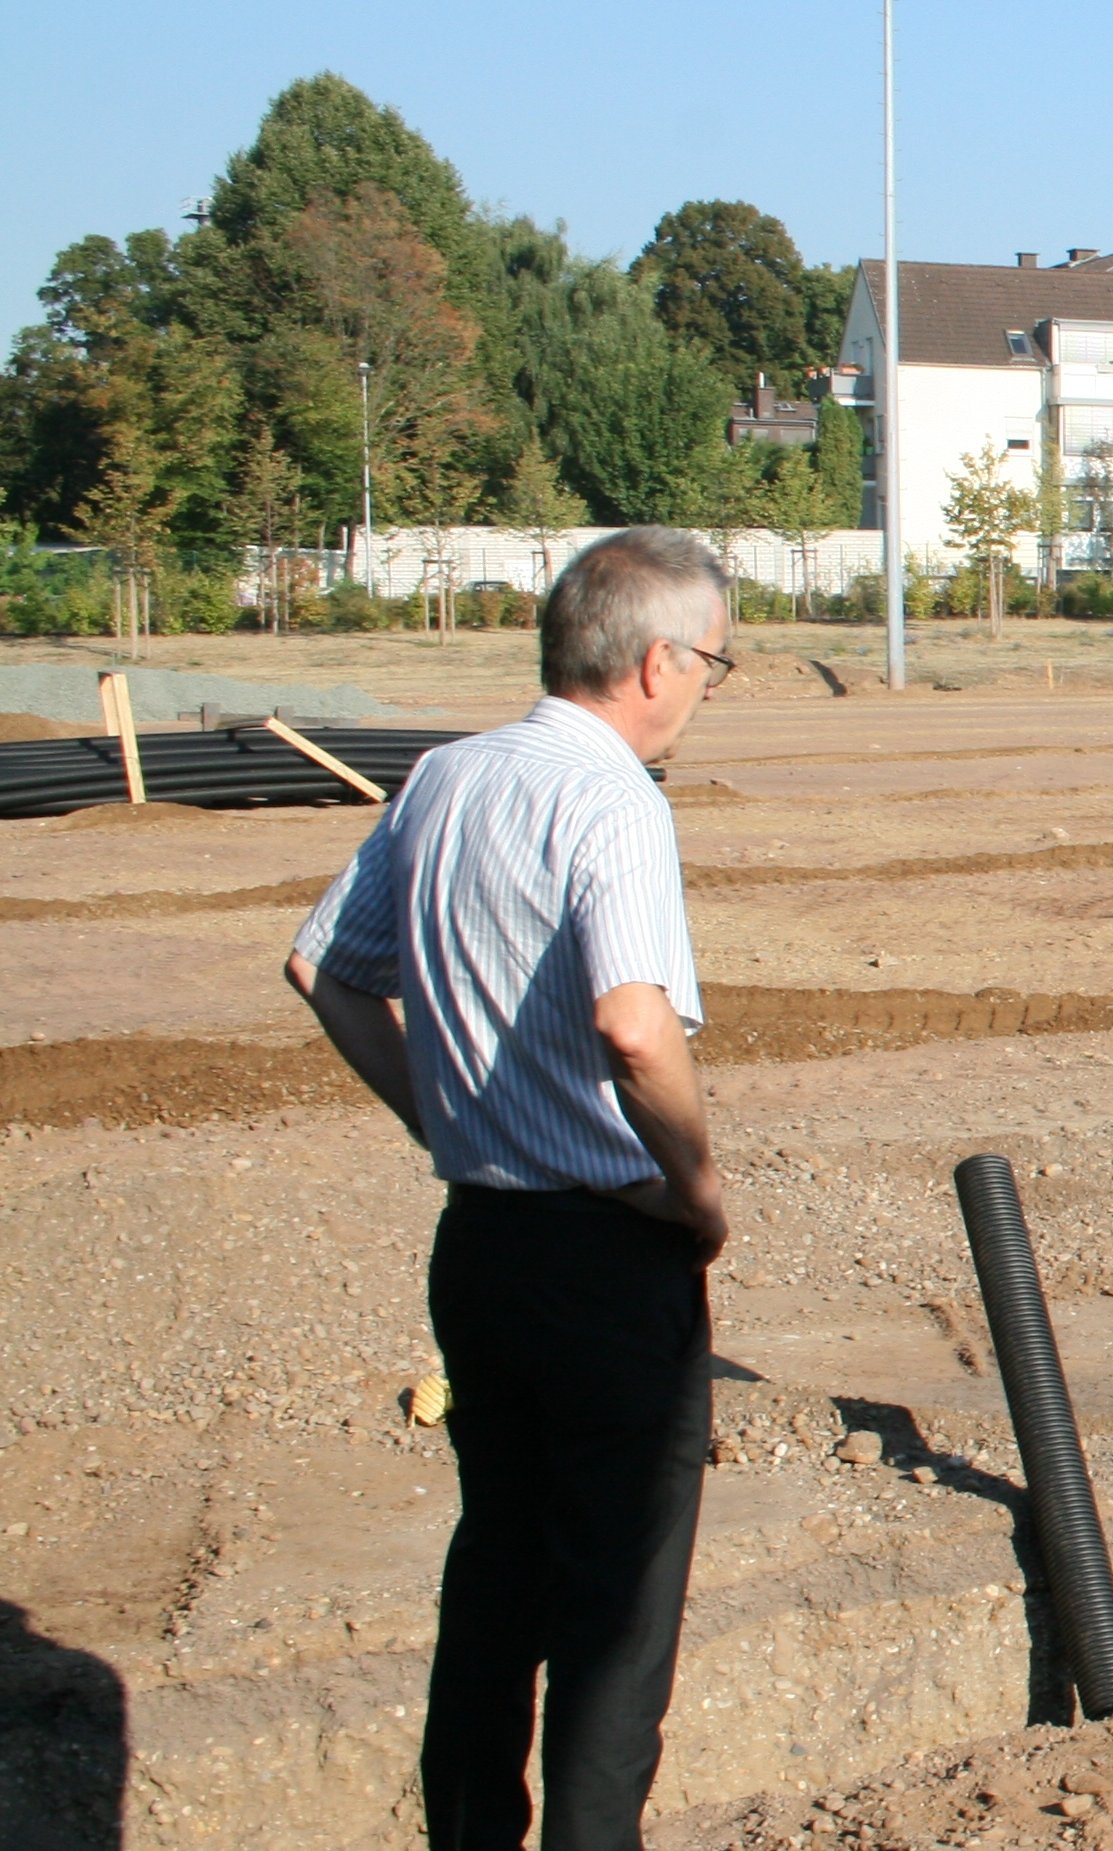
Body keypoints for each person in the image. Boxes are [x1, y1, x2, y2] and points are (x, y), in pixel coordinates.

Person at [286, 526, 737, 1851]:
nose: (710, 686)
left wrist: (448, 1110)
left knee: (497, 1572)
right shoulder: (614, 797)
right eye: (715, 660)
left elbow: (325, 968)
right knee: (616, 1609)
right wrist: (694, 1184)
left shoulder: (443, 775)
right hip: (605, 1252)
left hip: (479, 1240)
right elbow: (634, 1023)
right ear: (658, 660)